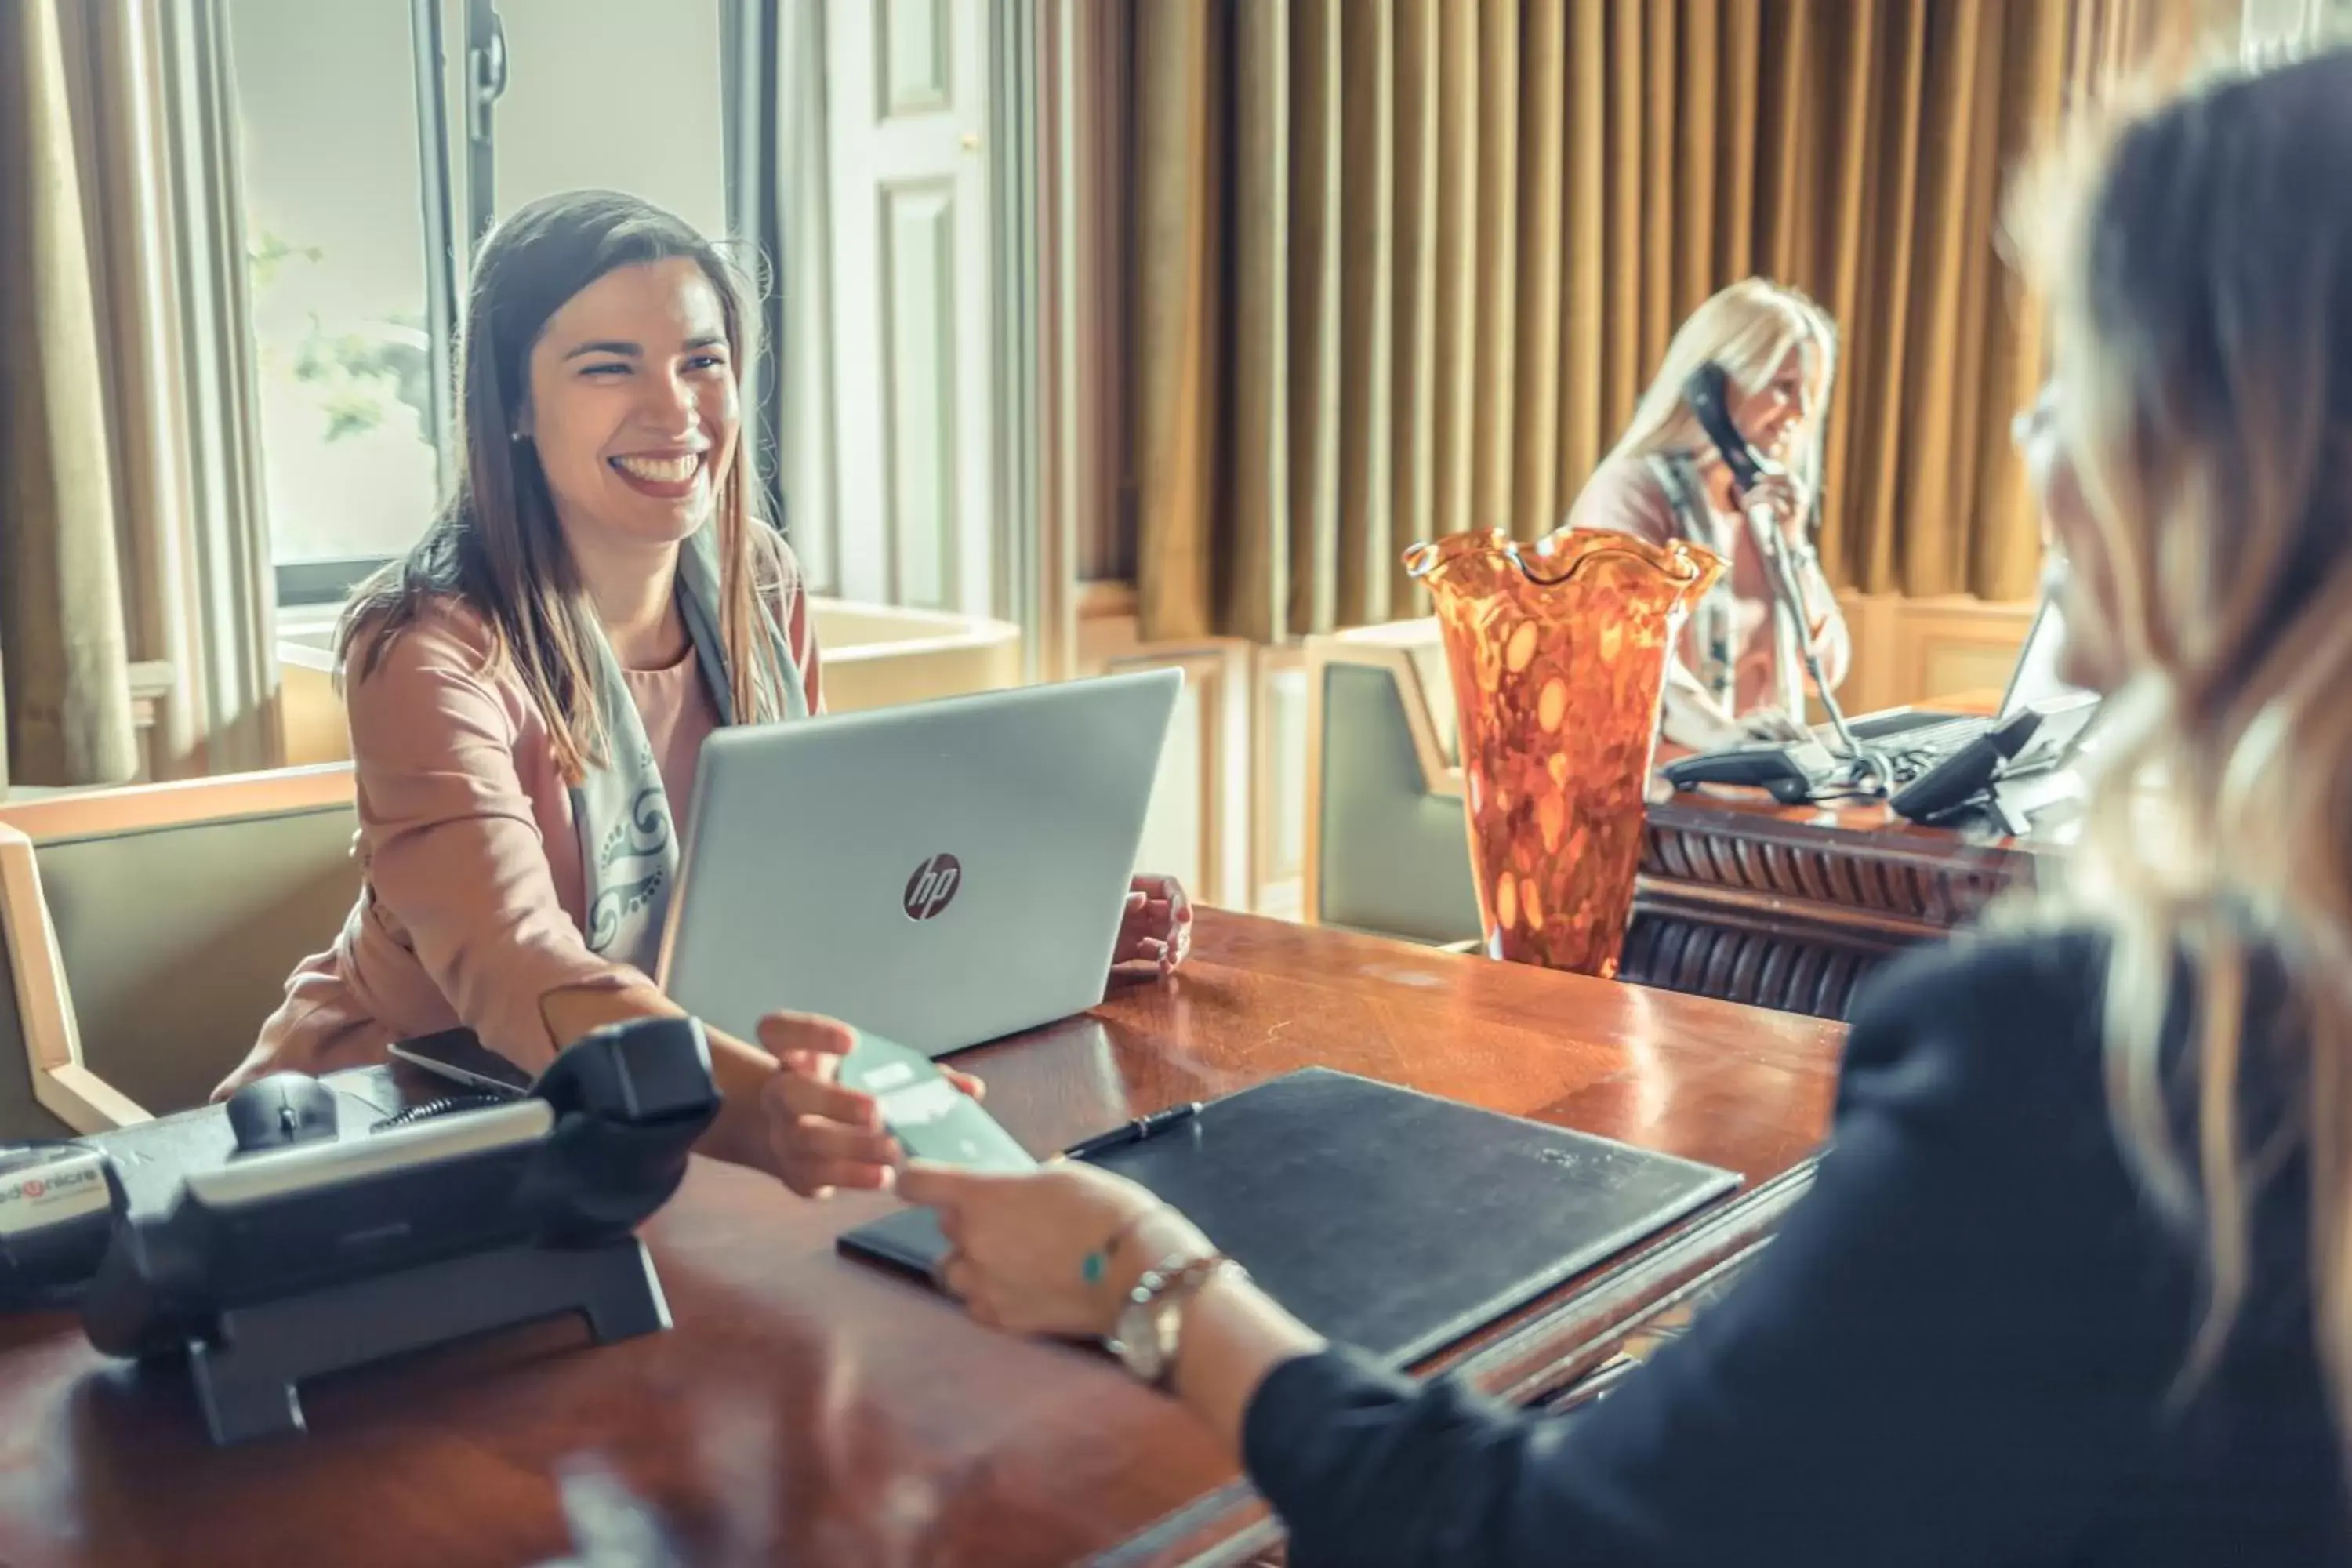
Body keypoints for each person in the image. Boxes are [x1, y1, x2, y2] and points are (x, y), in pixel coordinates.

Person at [891, 53, 2352, 1565]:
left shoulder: (2073, 1055)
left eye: (2072, 381)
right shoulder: (1641, 507)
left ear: (2208, 463)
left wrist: (1156, 1278)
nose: (2027, 439)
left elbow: (1550, 1539)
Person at [216, 189, 1192, 1199]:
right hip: (399, 1126)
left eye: (702, 360)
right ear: (511, 402)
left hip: (656, 1120)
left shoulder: (756, 582)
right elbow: (522, 967)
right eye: (608, 367)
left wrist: (1035, 928)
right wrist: (753, 1107)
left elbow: (808, 886)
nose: (675, 410)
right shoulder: (428, 647)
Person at [1566, 278, 1851, 751]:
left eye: (1810, 393)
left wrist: (1794, 547)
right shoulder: (1633, 492)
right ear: (1709, 388)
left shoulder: (1763, 506)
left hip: (1752, 780)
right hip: (1658, 785)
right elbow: (1624, 654)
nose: (1801, 412)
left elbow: (1823, 674)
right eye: (1784, 387)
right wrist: (1721, 737)